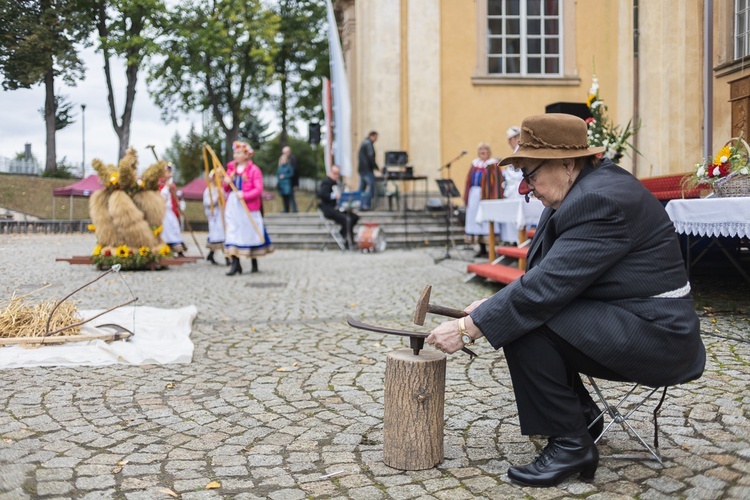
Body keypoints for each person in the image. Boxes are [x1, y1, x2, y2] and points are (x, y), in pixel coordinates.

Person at [427, 114, 706, 488]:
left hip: (660, 336)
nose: (525, 188)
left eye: (530, 174)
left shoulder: (599, 200)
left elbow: (543, 291)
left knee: (525, 323)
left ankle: (571, 442)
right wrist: (487, 310)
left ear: (567, 163)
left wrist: (466, 329)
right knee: (517, 315)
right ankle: (582, 419)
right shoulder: (580, 191)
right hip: (628, 317)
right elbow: (548, 276)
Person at [223, 141, 274, 276]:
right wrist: (227, 182)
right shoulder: (231, 170)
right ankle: (235, 263)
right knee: (233, 231)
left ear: (246, 155)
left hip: (248, 206)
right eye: (235, 153)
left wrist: (245, 195)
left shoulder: (254, 170)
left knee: (249, 232)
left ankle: (254, 260)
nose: (236, 155)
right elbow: (225, 189)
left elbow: (258, 189)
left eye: (239, 153)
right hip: (233, 205)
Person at [463, 142, 502, 258]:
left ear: (489, 151)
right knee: (476, 220)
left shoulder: (492, 164)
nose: (482, 152)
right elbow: (469, 180)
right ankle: (482, 249)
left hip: (487, 196)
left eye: (484, 149)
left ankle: (491, 250)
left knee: (487, 221)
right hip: (474, 195)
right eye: (480, 150)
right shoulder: (475, 164)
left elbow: (496, 182)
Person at [318, 165, 359, 248]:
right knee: (346, 219)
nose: (336, 176)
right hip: (329, 209)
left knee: (354, 217)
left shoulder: (337, 183)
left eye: (338, 174)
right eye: (334, 173)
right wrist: (333, 196)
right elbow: (322, 195)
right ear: (330, 173)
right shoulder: (326, 182)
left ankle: (343, 234)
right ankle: (348, 241)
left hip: (338, 208)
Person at [159, 163, 187, 256]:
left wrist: (177, 202)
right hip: (163, 211)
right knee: (167, 232)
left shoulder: (172, 184)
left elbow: (174, 197)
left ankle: (179, 250)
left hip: (171, 211)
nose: (170, 174)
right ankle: (167, 250)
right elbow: (161, 198)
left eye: (170, 172)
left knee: (175, 228)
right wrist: (166, 187)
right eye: (167, 172)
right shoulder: (160, 184)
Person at [202, 170, 226, 265]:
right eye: (218, 177)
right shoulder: (209, 190)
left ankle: (212, 255)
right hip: (214, 216)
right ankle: (223, 256)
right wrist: (216, 198)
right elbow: (207, 203)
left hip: (221, 215)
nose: (220, 179)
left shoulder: (221, 189)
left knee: (223, 235)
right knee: (216, 235)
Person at [357, 130, 379, 210]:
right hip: (367, 169)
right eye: (376, 137)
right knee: (371, 187)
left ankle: (359, 204)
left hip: (362, 169)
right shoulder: (368, 144)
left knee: (361, 188)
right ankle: (366, 205)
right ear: (372, 136)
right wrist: (376, 167)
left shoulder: (364, 143)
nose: (376, 139)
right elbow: (371, 157)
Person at [277, 149, 295, 213]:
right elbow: (278, 175)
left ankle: (292, 209)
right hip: (282, 185)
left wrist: (285, 176)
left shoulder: (289, 166)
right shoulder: (280, 168)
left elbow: (291, 174)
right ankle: (285, 209)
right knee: (284, 198)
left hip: (287, 184)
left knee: (289, 198)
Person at [282, 145, 299, 212]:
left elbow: (293, 171)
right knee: (286, 196)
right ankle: (287, 208)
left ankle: (294, 209)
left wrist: (286, 176)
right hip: (286, 182)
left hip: (290, 181)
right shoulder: (286, 160)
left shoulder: (292, 159)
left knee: (291, 196)